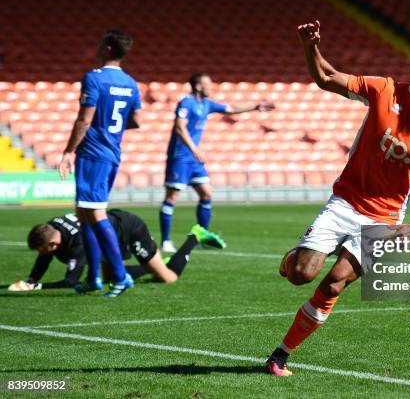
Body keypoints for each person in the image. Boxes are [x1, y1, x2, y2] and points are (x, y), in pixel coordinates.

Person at [264, 21, 410, 377]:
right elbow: (326, 78)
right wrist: (311, 47)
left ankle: (281, 354)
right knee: (301, 274)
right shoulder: (383, 90)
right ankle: (291, 260)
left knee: (335, 282)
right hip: (345, 203)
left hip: (384, 220)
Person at [58, 30, 141, 297]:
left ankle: (120, 276)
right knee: (84, 214)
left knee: (95, 213)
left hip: (93, 153)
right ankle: (94, 277)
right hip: (112, 151)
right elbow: (136, 120)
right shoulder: (130, 82)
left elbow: (84, 119)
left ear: (106, 48)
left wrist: (69, 151)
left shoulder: (94, 78)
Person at [159, 73, 274, 253]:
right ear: (198, 86)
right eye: (208, 84)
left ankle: (201, 236)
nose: (211, 87)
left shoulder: (207, 104)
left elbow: (231, 108)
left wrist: (255, 106)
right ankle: (165, 241)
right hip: (180, 158)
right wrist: (195, 149)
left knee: (206, 195)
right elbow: (180, 128)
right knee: (172, 198)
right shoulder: (186, 103)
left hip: (195, 161)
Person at [7, 210, 214, 292]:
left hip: (130, 228)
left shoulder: (78, 242)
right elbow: (44, 258)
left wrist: (36, 286)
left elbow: (72, 281)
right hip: (107, 234)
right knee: (109, 277)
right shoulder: (51, 229)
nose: (43, 254)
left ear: (52, 244)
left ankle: (194, 236)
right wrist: (30, 279)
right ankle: (153, 264)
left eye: (43, 250)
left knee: (168, 277)